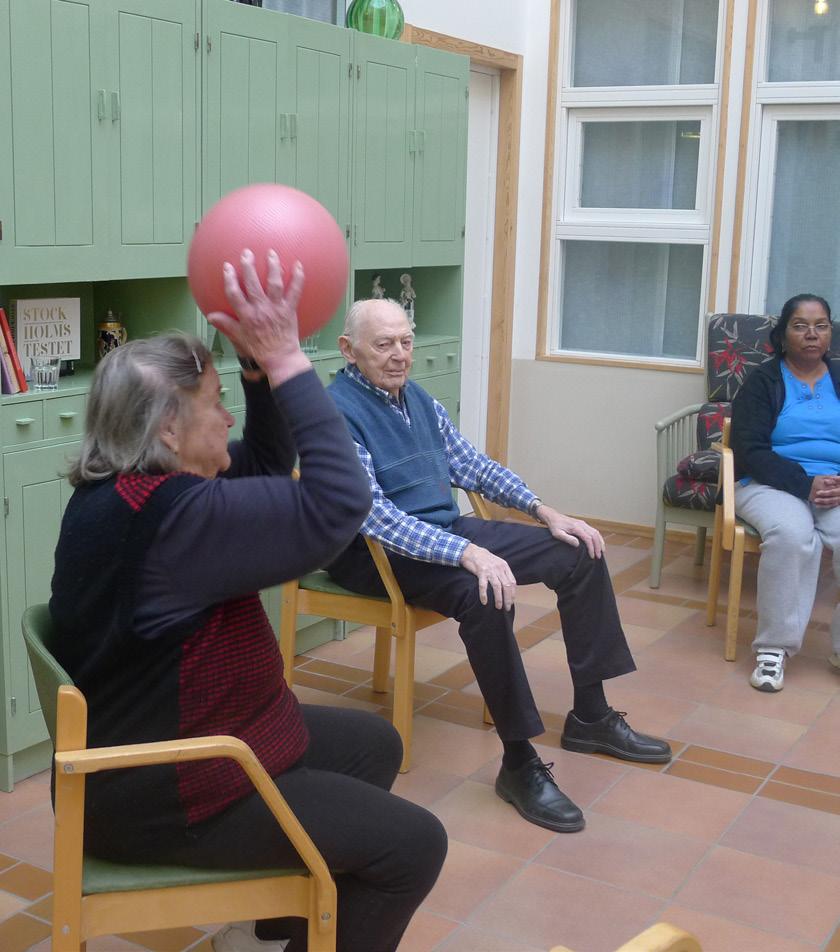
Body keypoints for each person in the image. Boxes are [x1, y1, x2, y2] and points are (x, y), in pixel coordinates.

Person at [48, 252, 447, 952]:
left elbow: (256, 467)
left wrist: (257, 377)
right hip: (168, 792)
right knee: (413, 846)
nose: (228, 413)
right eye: (216, 404)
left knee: (372, 744)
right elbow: (340, 504)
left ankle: (285, 918)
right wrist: (290, 361)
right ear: (169, 430)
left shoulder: (120, 492)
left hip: (142, 758)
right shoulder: (179, 520)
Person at [325, 298, 671, 835]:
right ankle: (519, 762)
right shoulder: (336, 414)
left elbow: (472, 465)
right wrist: (465, 552)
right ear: (349, 350)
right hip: (374, 556)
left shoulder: (417, 398)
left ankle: (591, 716)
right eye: (383, 344)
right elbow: (375, 516)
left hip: (442, 535)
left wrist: (543, 510)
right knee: (485, 593)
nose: (399, 356)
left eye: (406, 342)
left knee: (579, 552)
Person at [731, 292, 840, 692]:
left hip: (835, 488)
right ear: (783, 334)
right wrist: (804, 484)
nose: (812, 334)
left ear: (830, 333)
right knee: (792, 534)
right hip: (769, 484)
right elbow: (749, 449)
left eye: (821, 325)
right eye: (800, 326)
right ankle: (773, 649)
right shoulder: (763, 381)